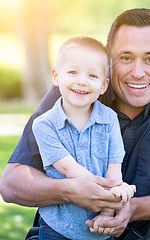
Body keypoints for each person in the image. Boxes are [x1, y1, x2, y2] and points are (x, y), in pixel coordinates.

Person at [0, 8, 150, 240]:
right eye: (126, 57)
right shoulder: (75, 91)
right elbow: (12, 184)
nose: (138, 72)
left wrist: (134, 208)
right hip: (71, 233)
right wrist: (71, 190)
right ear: (109, 58)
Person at [31, 36, 135, 239]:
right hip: (57, 228)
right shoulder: (44, 124)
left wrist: (107, 212)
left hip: (98, 230)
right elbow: (68, 169)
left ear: (104, 85)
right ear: (55, 76)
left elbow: (114, 167)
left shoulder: (109, 120)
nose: (82, 81)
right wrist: (113, 190)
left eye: (92, 76)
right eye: (72, 72)